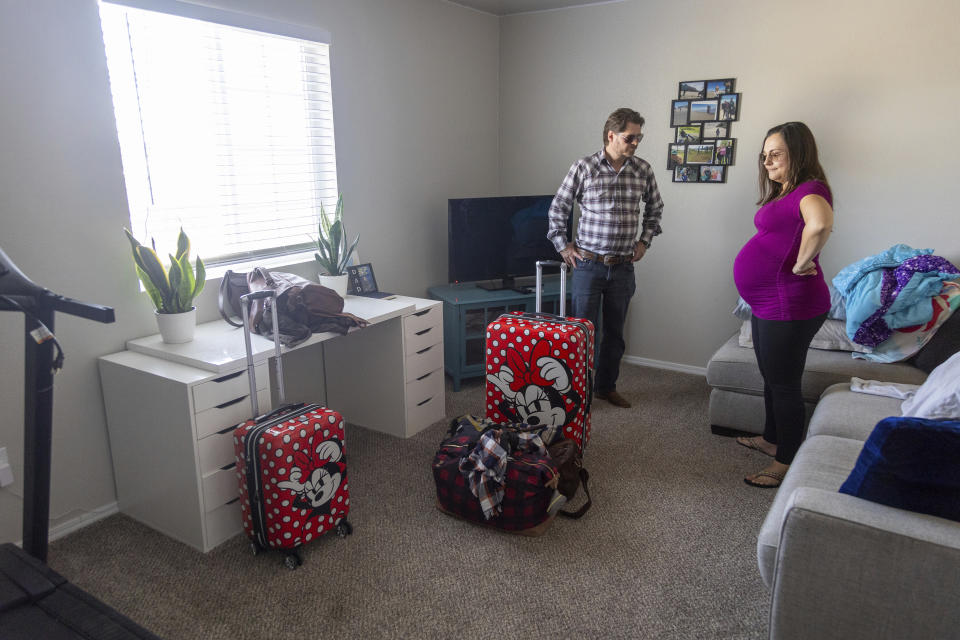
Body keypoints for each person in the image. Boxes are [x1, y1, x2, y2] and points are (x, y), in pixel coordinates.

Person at [732, 121, 835, 488]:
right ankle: (770, 437)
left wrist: (803, 262)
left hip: (788, 303)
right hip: (768, 302)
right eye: (764, 155)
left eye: (775, 154)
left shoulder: (811, 189)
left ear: (799, 152)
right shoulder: (786, 191)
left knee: (785, 383)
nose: (767, 161)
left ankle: (786, 461)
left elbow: (820, 225)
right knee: (772, 376)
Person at [547, 107, 664, 408]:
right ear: (611, 135)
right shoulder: (584, 167)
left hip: (623, 268)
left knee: (615, 335)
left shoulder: (643, 170)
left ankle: (605, 387)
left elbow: (655, 209)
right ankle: (579, 393)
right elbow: (558, 207)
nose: (636, 143)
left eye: (639, 138)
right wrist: (563, 246)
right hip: (587, 265)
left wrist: (644, 242)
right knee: (582, 335)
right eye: (630, 137)